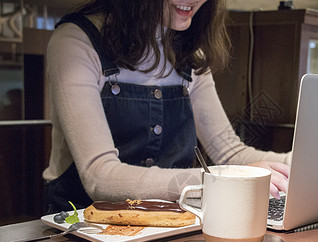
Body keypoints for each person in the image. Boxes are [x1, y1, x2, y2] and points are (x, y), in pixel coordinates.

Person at [43, 0, 291, 213]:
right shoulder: (76, 41)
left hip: (166, 224)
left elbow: (231, 153)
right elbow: (100, 177)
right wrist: (223, 178)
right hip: (82, 228)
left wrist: (296, 164)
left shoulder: (190, 53)